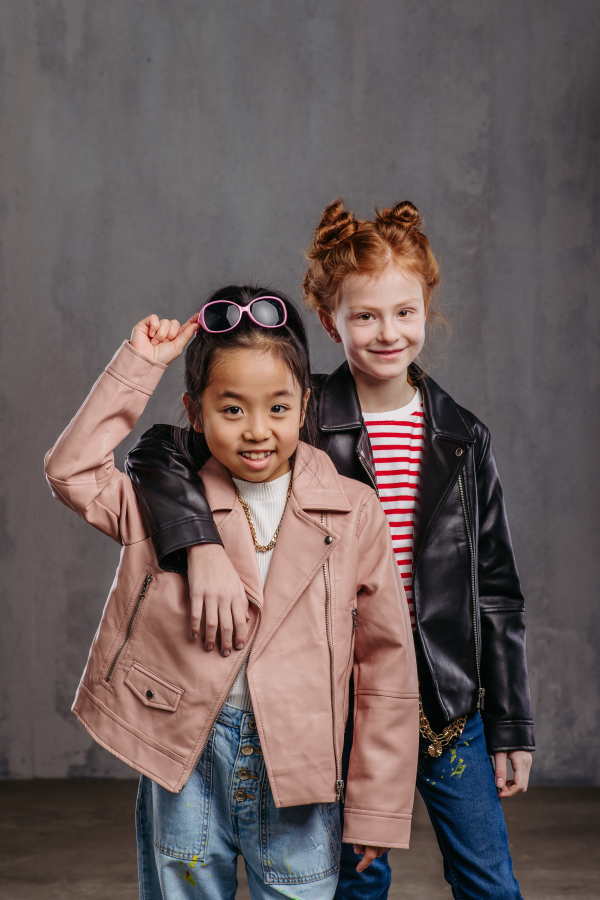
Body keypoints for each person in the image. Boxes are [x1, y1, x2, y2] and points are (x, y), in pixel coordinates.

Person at [124, 201, 535, 900]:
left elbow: (494, 586)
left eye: (404, 312)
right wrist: (202, 548)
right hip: (334, 692)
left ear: (427, 308)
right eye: (365, 316)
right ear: (329, 321)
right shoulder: (288, 413)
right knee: (354, 879)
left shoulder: (462, 436)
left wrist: (512, 721)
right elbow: (161, 453)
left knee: (488, 880)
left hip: (446, 698)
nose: (387, 332)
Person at [44, 287, 419, 900]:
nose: (257, 431)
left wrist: (377, 804)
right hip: (185, 755)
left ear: (304, 405)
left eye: (277, 407)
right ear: (195, 412)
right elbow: (72, 473)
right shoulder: (162, 502)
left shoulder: (355, 513)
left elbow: (384, 666)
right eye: (232, 409)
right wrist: (140, 365)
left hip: (299, 764)